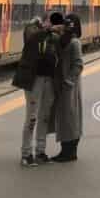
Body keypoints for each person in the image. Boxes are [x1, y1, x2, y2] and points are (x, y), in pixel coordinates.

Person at [15, 13, 61, 166]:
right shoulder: (32, 28)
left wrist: (67, 30)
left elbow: (63, 43)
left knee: (45, 116)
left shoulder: (53, 36)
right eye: (51, 21)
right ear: (45, 20)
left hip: (48, 79)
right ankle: (26, 153)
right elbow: (31, 39)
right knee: (32, 117)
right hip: (33, 79)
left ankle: (40, 152)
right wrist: (48, 30)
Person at [51, 12, 83, 162]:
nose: (66, 25)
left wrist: (69, 81)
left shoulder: (74, 42)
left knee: (70, 117)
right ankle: (65, 150)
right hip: (62, 85)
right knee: (64, 117)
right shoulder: (63, 39)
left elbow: (78, 64)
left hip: (69, 87)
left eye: (69, 23)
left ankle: (70, 152)